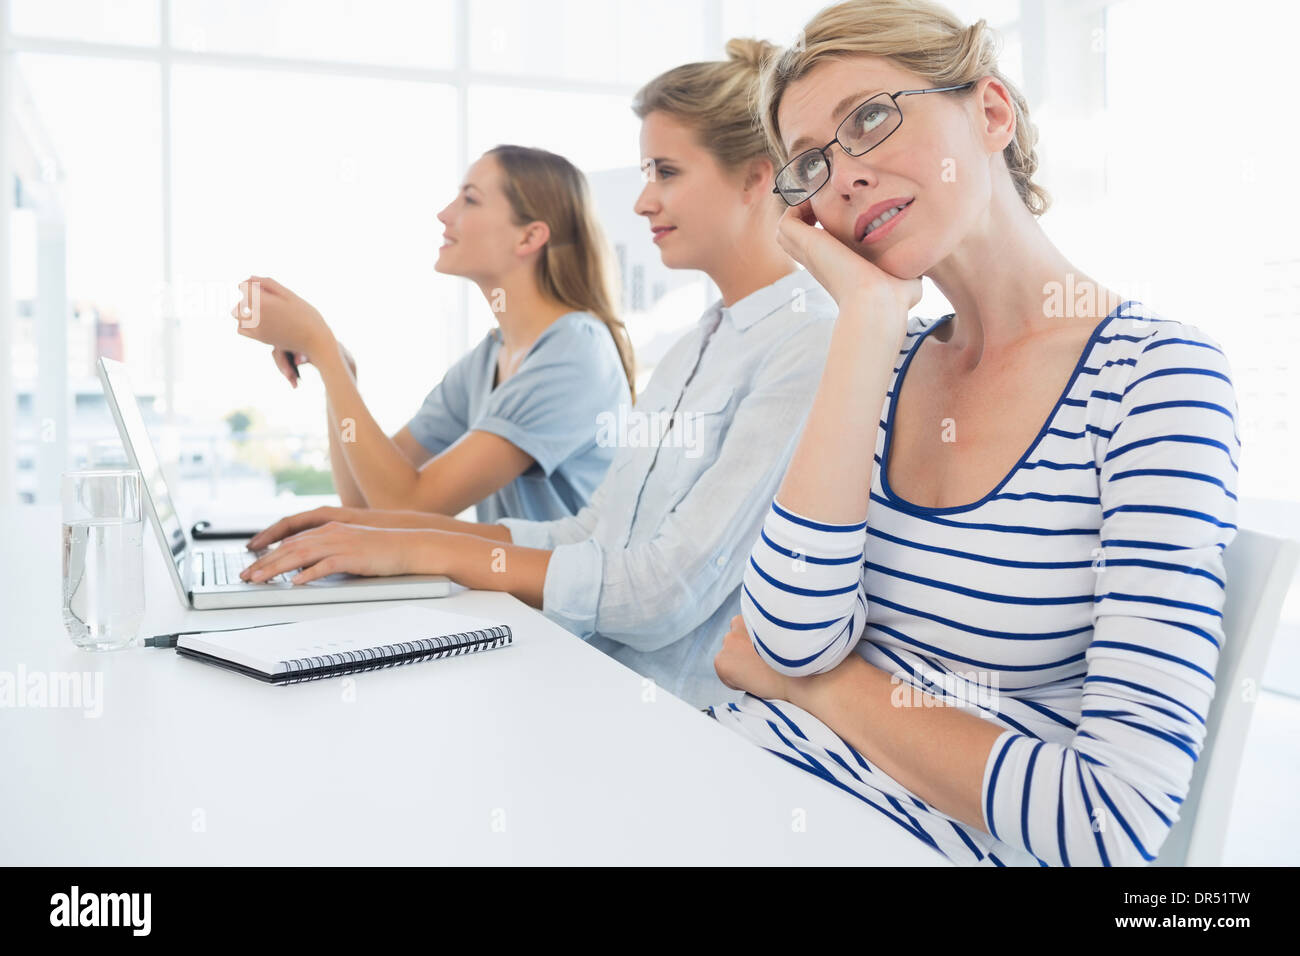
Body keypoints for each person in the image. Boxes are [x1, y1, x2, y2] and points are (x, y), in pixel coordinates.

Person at [709, 0, 1239, 867]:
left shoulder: (1157, 378)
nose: (843, 177)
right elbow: (786, 639)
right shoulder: (882, 357)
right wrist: (867, 323)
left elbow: (1112, 821)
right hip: (737, 781)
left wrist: (828, 690)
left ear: (991, 112)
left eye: (871, 118)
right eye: (810, 165)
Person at [236, 39, 839, 709]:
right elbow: (590, 534)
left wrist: (412, 544)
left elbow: (662, 595)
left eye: (666, 172)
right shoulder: (701, 342)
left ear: (758, 180)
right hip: (583, 665)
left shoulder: (805, 341)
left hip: (670, 709)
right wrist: (384, 536)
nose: (642, 202)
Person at [230, 144, 634, 524]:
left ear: (529, 237)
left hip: (555, 602)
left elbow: (408, 505)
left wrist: (321, 345)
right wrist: (338, 364)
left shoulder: (574, 352)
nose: (444, 214)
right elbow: (366, 502)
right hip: (503, 601)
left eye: (470, 199)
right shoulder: (488, 358)